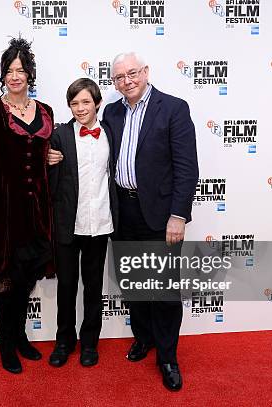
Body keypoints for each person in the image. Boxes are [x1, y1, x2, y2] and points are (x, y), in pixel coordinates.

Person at [102, 52, 199, 391]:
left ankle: (168, 356)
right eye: (119, 77)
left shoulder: (173, 108)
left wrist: (178, 215)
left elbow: (187, 168)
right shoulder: (111, 112)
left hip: (161, 216)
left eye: (132, 73)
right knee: (133, 284)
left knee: (164, 290)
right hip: (123, 212)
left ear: (146, 72)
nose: (126, 81)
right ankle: (144, 339)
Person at [0, 37, 55, 374]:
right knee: (5, 280)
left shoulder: (46, 110)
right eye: (9, 70)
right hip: (3, 211)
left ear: (30, 74)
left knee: (25, 280)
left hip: (37, 211)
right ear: (2, 75)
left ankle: (20, 337)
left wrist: (55, 157)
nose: (15, 75)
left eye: (21, 69)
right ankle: (7, 344)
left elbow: (47, 153)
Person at [47, 78, 117, 368]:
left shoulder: (112, 133)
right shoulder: (60, 136)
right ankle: (64, 341)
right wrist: (45, 160)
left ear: (97, 103)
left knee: (92, 287)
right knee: (66, 286)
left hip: (99, 223)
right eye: (74, 103)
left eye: (85, 102)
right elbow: (47, 181)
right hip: (67, 224)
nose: (80, 108)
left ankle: (90, 343)